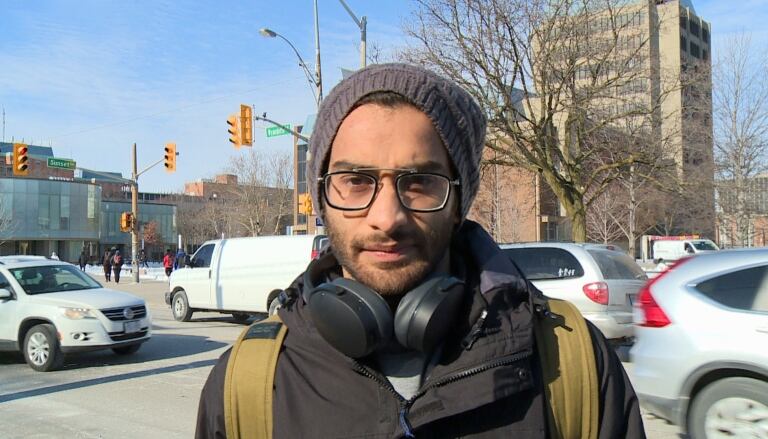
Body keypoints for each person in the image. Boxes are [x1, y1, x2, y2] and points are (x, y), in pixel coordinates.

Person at [195, 64, 644, 438]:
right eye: (355, 181)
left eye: (419, 182)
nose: (387, 217)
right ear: (321, 196)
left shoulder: (572, 363)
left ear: (457, 203)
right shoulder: (247, 384)